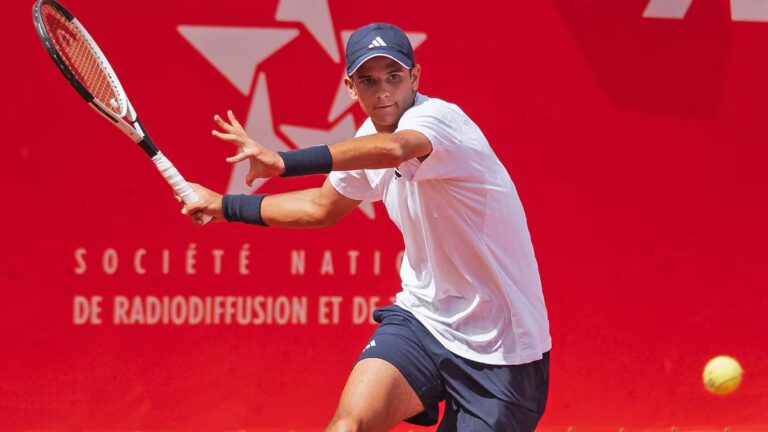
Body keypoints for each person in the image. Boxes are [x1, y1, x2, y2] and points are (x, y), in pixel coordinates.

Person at [181, 23, 551, 432]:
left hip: (502, 351)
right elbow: (321, 207)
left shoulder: (440, 120)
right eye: (369, 81)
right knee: (349, 426)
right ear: (351, 88)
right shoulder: (367, 139)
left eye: (394, 76)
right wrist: (224, 205)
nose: (383, 91)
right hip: (423, 321)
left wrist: (285, 162)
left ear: (414, 77)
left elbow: (395, 149)